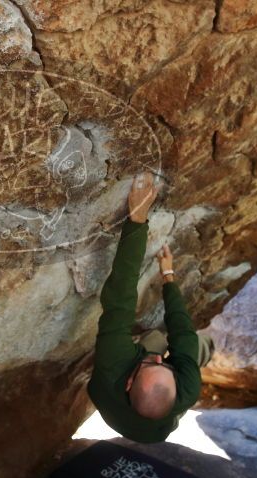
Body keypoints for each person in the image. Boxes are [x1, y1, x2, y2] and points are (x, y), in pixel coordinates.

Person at [87, 172, 215, 443]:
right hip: (154, 427)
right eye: (166, 365)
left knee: (156, 341)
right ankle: (195, 351)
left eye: (152, 363)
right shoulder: (188, 389)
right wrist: (168, 276)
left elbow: (120, 296)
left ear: (129, 382)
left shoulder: (113, 364)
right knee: (191, 344)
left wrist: (137, 219)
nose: (159, 358)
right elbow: (182, 331)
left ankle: (156, 355)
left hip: (113, 399)